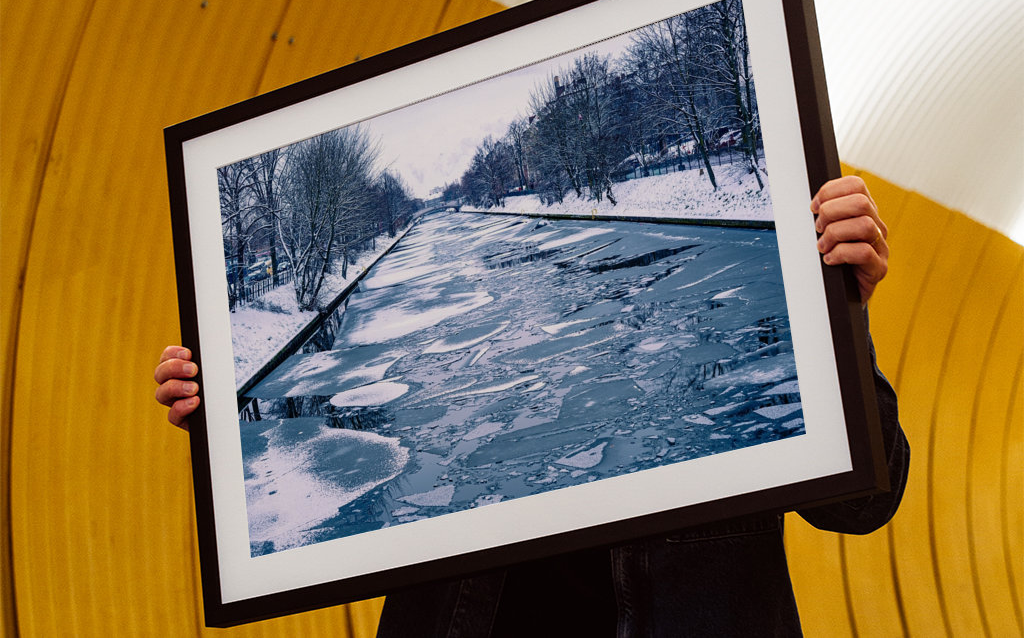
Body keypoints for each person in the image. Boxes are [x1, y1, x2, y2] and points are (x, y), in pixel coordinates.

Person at [155, 176, 908, 637]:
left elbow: (865, 503)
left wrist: (838, 314)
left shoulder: (735, 330)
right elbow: (326, 479)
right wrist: (232, 413)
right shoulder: (440, 390)